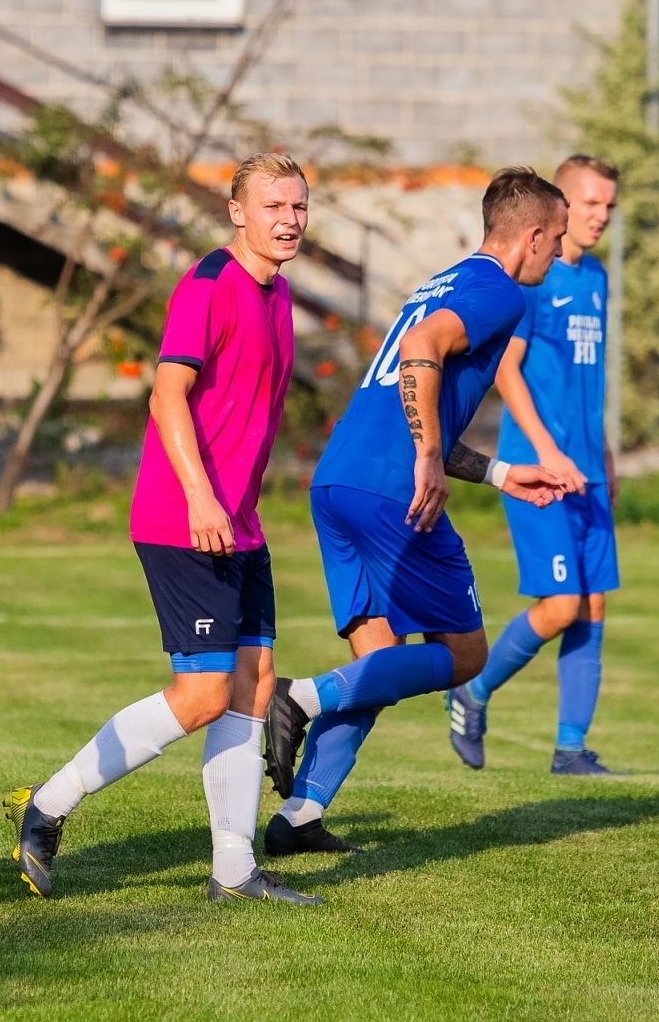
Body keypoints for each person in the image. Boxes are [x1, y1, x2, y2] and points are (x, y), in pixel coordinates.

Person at [6, 153, 320, 905]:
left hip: (238, 524)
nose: (288, 219)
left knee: (254, 681)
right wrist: (203, 498)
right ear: (237, 212)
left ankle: (234, 869)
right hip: (186, 519)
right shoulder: (209, 285)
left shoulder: (279, 298)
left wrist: (235, 504)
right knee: (205, 692)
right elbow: (166, 397)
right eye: (273, 206)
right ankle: (46, 805)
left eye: (299, 207)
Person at [262, 168, 570, 856]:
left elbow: (417, 385)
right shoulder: (499, 293)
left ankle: (300, 816)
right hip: (389, 490)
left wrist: (496, 472)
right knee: (464, 655)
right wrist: (429, 456)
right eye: (558, 242)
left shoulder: (445, 280)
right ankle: (300, 697)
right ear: (534, 236)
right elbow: (420, 352)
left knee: (375, 660)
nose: (558, 255)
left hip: (337, 482)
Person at [446, 155, 622, 775]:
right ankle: (473, 688)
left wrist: (604, 460)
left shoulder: (596, 277)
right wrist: (548, 452)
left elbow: (588, 382)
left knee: (593, 605)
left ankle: (571, 748)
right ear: (560, 207)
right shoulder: (535, 279)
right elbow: (505, 369)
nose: (599, 216)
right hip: (537, 468)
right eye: (590, 204)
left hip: (588, 470)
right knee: (559, 605)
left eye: (608, 206)